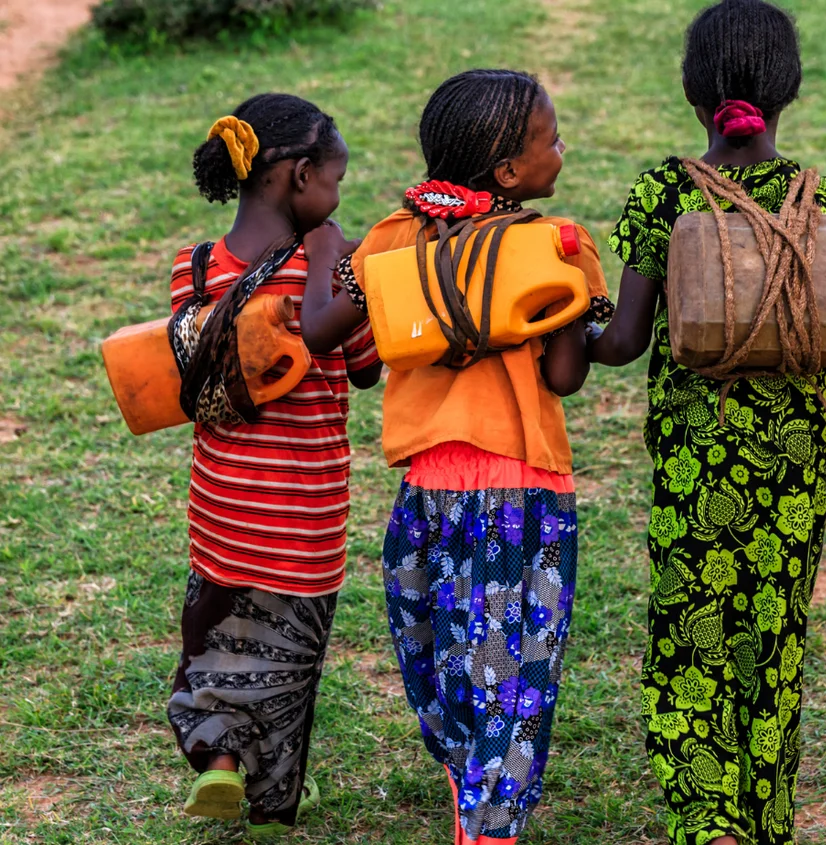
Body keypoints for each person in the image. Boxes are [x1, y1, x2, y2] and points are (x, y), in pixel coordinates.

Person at [588, 2, 826, 843]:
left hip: (695, 458)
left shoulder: (662, 193)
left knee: (690, 629)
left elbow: (626, 341)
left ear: (690, 90)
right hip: (793, 460)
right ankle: (763, 814)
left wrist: (569, 327)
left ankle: (707, 818)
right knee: (773, 629)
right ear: (788, 90)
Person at [301, 69, 613, 844]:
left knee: (434, 651)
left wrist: (322, 252)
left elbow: (320, 331)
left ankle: (487, 815)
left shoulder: (390, 239)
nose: (562, 147)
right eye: (552, 137)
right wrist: (565, 294)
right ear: (509, 173)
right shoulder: (554, 245)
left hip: (427, 489)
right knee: (508, 669)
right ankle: (484, 783)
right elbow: (566, 376)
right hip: (522, 491)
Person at [166, 93, 382, 839]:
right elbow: (363, 366)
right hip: (304, 521)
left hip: (222, 515)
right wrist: (340, 269)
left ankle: (220, 764)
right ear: (295, 177)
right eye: (335, 179)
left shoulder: (191, 271)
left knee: (216, 650)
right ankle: (270, 804)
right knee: (286, 671)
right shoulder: (329, 269)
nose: (337, 194)